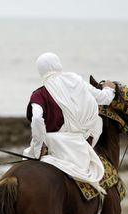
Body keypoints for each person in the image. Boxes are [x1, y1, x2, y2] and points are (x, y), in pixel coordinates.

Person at [23, 52, 116, 193]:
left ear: (40, 71)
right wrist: (109, 88)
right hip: (79, 144)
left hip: (53, 146)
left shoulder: (39, 94)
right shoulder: (77, 81)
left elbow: (36, 119)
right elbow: (104, 99)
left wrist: (37, 148)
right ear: (58, 64)